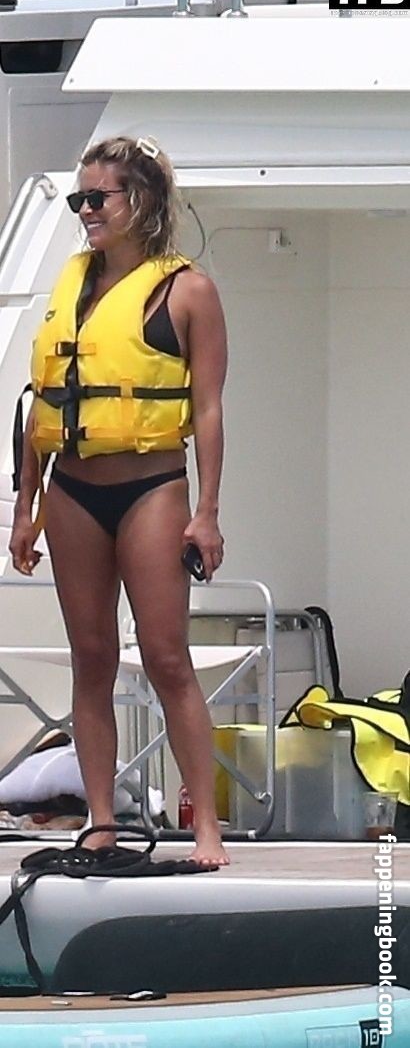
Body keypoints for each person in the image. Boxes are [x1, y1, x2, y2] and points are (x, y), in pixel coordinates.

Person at [9, 134, 229, 867]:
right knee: (92, 656)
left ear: (142, 200)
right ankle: (101, 821)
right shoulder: (73, 283)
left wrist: (207, 512)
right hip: (72, 489)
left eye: (97, 198)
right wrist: (25, 508)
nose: (85, 211)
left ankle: (206, 827)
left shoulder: (188, 290)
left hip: (151, 487)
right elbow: (42, 403)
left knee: (166, 656)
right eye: (79, 199)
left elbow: (208, 410)